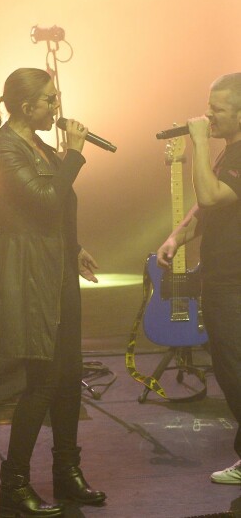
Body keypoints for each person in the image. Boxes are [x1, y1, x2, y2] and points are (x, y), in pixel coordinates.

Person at [0, 67, 106, 517]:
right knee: (43, 381)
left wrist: (73, 248)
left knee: (70, 376)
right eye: (49, 101)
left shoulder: (36, 143)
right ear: (25, 105)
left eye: (55, 99)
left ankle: (66, 473)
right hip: (30, 274)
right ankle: (14, 483)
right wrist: (73, 154)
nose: (57, 107)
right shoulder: (4, 150)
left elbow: (57, 211)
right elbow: (47, 199)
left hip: (56, 269)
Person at [157, 73, 241, 485]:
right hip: (224, 280)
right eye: (209, 108)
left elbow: (209, 195)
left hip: (236, 284)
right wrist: (177, 235)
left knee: (235, 371)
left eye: (218, 110)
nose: (208, 116)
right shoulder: (231, 154)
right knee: (230, 369)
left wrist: (198, 144)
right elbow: (206, 209)